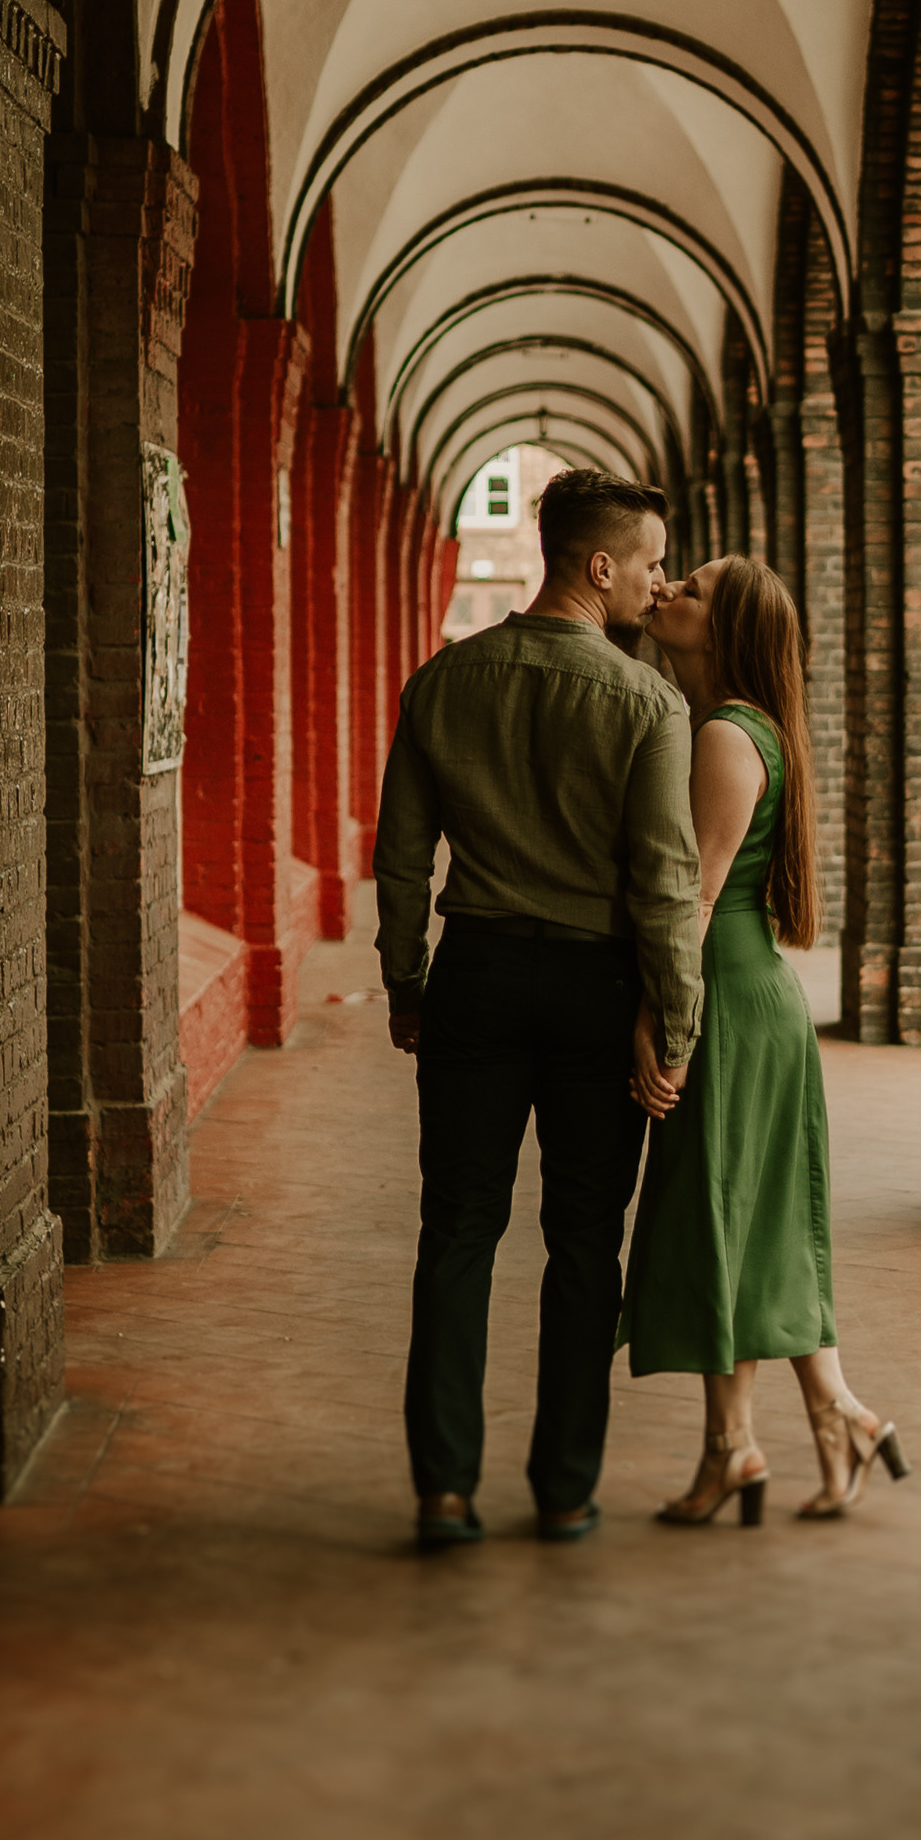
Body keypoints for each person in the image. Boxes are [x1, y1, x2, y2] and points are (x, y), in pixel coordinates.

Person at [374, 470, 702, 1550]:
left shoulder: (441, 682)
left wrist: (407, 981)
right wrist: (677, 1023)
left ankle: (444, 1490)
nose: (658, 586)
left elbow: (402, 859)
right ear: (597, 564)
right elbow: (662, 882)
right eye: (650, 564)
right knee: (582, 1241)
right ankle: (564, 1487)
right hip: (596, 990)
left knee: (458, 1229)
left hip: (475, 974)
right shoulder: (648, 702)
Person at [619, 555, 909, 1523]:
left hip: (727, 1006)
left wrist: (662, 1021)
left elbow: (693, 900)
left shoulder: (725, 737)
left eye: (690, 591)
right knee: (744, 1222)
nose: (666, 593)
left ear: (727, 630)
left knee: (722, 1220)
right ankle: (819, 1421)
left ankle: (746, 1445)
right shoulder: (740, 729)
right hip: (750, 1001)